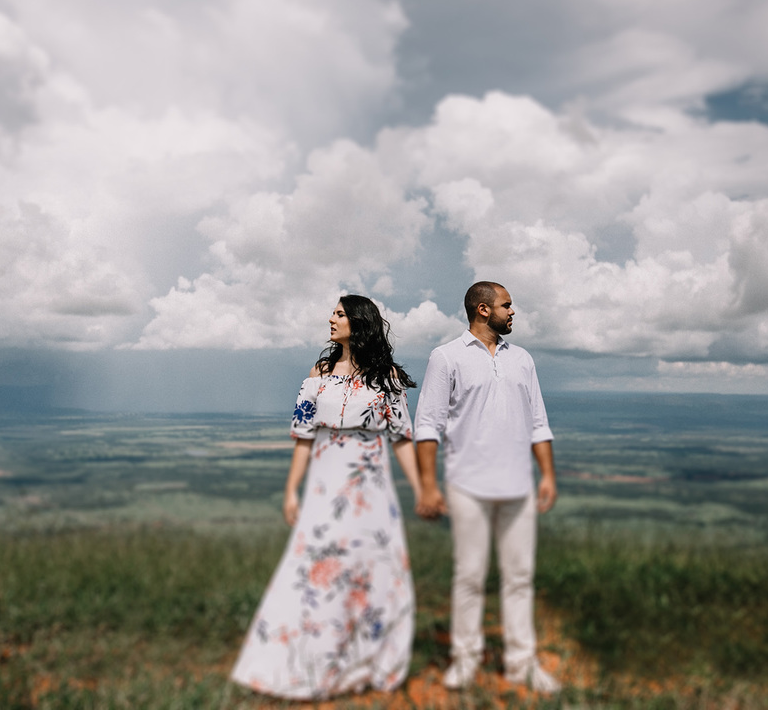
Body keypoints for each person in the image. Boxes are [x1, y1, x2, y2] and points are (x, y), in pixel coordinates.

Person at [231, 295, 422, 700]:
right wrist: (291, 490)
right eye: (333, 313)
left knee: (371, 567)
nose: (331, 319)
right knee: (316, 567)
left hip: (370, 487)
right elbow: (303, 436)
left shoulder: (385, 376)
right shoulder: (319, 372)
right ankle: (311, 658)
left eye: (339, 313)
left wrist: (422, 489)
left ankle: (368, 657)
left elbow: (403, 439)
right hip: (324, 483)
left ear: (358, 321)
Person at [414, 281, 560, 693]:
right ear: (483, 310)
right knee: (470, 576)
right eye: (506, 305)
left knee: (519, 578)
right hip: (468, 485)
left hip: (518, 485)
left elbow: (538, 422)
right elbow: (427, 424)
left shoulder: (523, 360)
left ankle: (522, 664)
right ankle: (464, 661)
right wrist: (428, 485)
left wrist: (546, 475)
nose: (513, 312)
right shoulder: (445, 357)